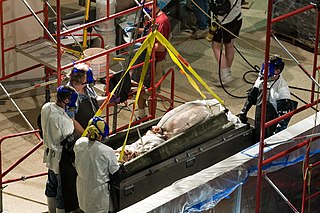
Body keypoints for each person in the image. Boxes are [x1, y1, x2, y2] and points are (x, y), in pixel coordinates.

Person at [59, 63, 104, 212]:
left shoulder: (87, 88)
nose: (88, 82)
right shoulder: (70, 94)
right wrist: (85, 133)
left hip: (92, 133)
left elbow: (94, 101)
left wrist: (109, 99)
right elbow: (71, 119)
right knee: (79, 172)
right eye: (86, 79)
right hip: (79, 136)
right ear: (78, 80)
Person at [238, 56, 297, 141]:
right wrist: (243, 112)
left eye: (269, 69)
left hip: (272, 123)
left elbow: (284, 118)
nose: (265, 72)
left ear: (277, 71)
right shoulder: (261, 80)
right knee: (257, 137)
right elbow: (252, 97)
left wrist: (276, 135)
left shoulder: (282, 90)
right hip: (259, 118)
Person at [131, 0, 171, 119]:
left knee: (150, 93)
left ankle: (150, 118)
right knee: (139, 89)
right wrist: (136, 30)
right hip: (144, 59)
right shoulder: (150, 18)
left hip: (155, 63)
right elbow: (148, 33)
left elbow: (160, 47)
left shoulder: (162, 21)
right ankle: (141, 116)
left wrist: (144, 44)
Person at [41, 85, 78, 213]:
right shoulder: (65, 121)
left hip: (49, 153)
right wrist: (70, 117)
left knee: (51, 184)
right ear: (66, 101)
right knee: (61, 190)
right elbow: (69, 136)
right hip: (60, 157)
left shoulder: (46, 107)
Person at [74, 116, 120, 213]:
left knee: (85, 209)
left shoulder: (79, 143)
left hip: (82, 187)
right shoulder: (107, 151)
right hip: (98, 193)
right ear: (100, 136)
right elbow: (115, 172)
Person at [208, 0, 242, 85]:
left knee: (216, 47)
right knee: (229, 45)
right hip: (237, 17)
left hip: (224, 21)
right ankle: (226, 72)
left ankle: (225, 75)